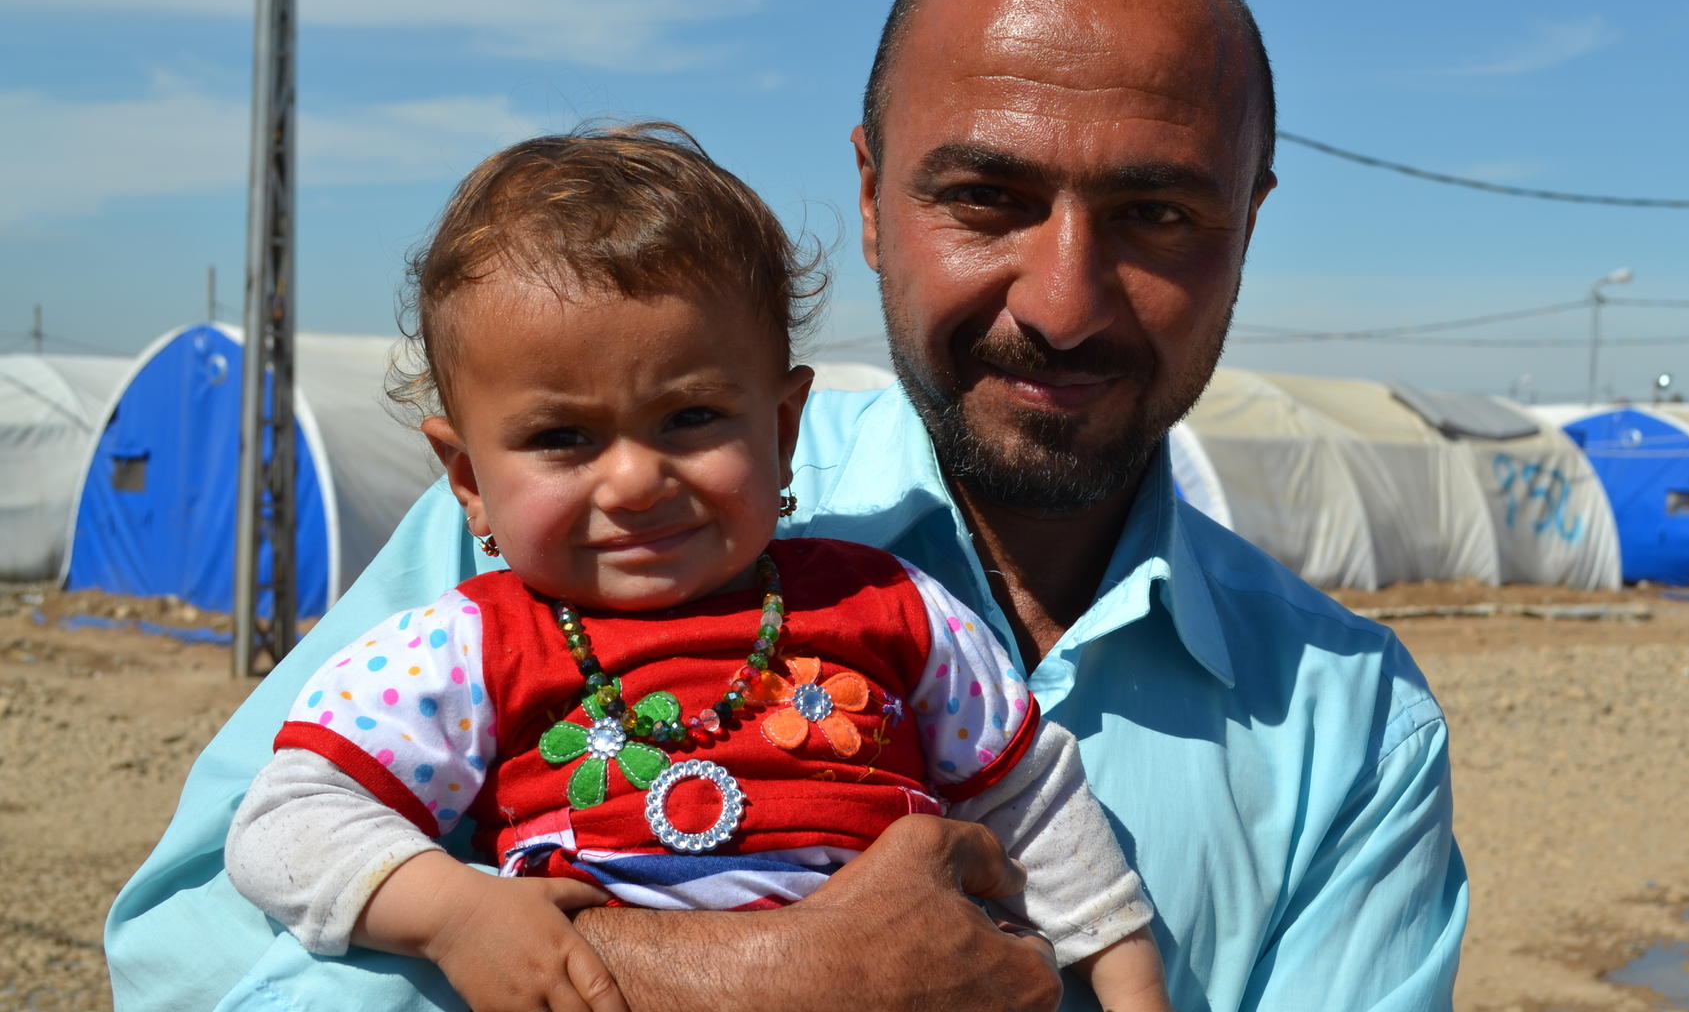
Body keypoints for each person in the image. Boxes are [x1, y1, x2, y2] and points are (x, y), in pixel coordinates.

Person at [106, 0, 1468, 1009]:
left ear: (1248, 223)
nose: (1062, 300)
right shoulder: (528, 552)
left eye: (1156, 213)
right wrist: (750, 977)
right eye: (986, 199)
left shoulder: (1350, 736)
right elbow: (185, 964)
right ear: (872, 201)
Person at [222, 122, 1171, 1012]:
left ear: (783, 428)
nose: (635, 480)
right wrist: (453, 913)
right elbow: (287, 820)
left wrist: (1130, 989)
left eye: (691, 417)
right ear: (469, 480)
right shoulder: (470, 644)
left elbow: (1034, 799)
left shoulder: (888, 605)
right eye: (562, 436)